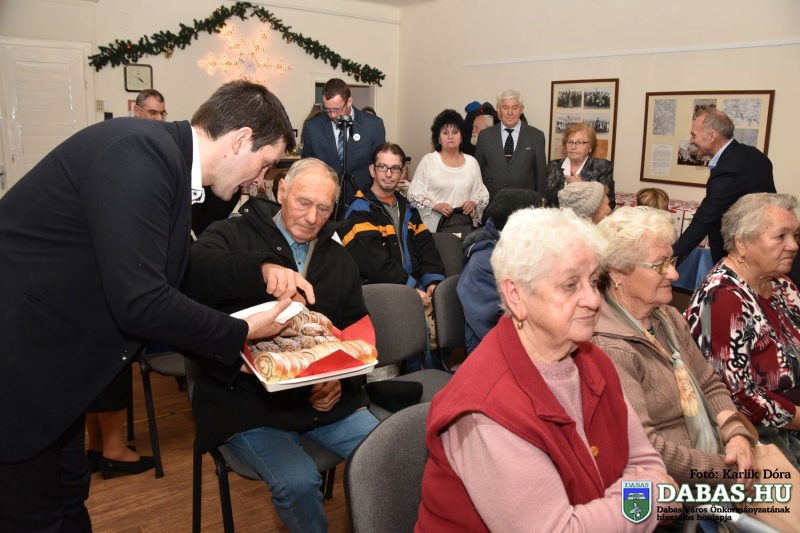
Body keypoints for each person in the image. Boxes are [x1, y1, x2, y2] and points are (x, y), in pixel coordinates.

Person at [0, 80, 300, 531]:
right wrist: (240, 334)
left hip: (53, 368)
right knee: (34, 514)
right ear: (241, 140)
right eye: (266, 164)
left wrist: (258, 269)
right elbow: (142, 299)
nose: (260, 181)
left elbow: (173, 269)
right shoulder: (138, 155)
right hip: (21, 365)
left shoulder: (166, 160)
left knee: (68, 494)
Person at [416, 208, 673, 531]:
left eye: (594, 281)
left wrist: (620, 504)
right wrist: (649, 495)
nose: (593, 300)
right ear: (516, 295)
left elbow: (646, 461)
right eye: (570, 285)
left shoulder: (593, 360)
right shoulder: (487, 409)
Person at [182, 158, 380, 532]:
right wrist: (259, 268)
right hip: (248, 402)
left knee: (387, 455)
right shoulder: (232, 233)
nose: (312, 217)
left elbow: (356, 329)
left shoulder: (338, 258)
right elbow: (192, 269)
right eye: (303, 202)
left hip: (324, 401)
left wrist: (339, 380)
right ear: (281, 190)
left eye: (324, 208)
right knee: (299, 482)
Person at [591, 206, 757, 497]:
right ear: (617, 272)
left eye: (671, 260)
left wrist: (736, 433)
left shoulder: (666, 317)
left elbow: (708, 383)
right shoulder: (609, 346)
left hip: (716, 457)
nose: (674, 273)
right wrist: (727, 471)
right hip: (670, 490)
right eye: (660, 265)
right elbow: (647, 446)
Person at [685, 193, 800, 467]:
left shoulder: (783, 285)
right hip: (762, 435)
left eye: (796, 235)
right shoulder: (722, 298)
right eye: (781, 236)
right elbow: (737, 396)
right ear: (742, 242)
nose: (794, 245)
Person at [339, 143, 445, 372]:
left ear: (403, 173)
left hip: (411, 288)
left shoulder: (408, 209)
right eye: (383, 167)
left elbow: (426, 247)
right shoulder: (359, 209)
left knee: (442, 317)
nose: (388, 173)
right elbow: (372, 263)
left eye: (395, 168)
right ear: (372, 170)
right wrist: (410, 288)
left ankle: (429, 381)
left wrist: (433, 282)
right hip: (377, 293)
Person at [672, 109, 775, 264]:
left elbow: (703, 222)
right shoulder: (753, 154)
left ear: (712, 136)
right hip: (762, 250)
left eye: (694, 135)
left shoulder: (728, 168)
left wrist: (667, 261)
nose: (691, 141)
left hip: (741, 257)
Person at [457, 188, 542, 354]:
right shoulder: (483, 261)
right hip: (492, 348)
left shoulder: (521, 248)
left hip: (524, 337)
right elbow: (487, 321)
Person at [301, 78, 386, 211]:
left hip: (363, 203)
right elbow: (306, 167)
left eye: (337, 109)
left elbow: (380, 165)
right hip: (324, 203)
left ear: (349, 102)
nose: (333, 115)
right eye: (328, 110)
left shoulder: (373, 125)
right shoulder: (313, 127)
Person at [406, 109, 489, 233]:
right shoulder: (428, 161)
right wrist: (435, 205)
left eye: (455, 132)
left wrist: (473, 202)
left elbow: (481, 193)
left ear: (461, 136)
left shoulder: (472, 162)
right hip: (432, 230)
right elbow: (414, 194)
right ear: (438, 138)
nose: (450, 137)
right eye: (445, 133)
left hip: (462, 228)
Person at [474, 89, 547, 199]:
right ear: (498, 109)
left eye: (515, 108)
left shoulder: (536, 136)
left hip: (524, 203)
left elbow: (541, 176)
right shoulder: (485, 136)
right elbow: (477, 172)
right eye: (505, 107)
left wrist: (539, 202)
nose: (510, 112)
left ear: (521, 109)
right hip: (492, 202)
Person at [544, 122, 615, 208]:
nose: (573, 147)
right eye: (570, 142)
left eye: (580, 142)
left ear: (590, 147)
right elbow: (546, 200)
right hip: (555, 215)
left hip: (587, 216)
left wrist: (582, 187)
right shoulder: (553, 165)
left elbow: (609, 204)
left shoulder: (602, 167)